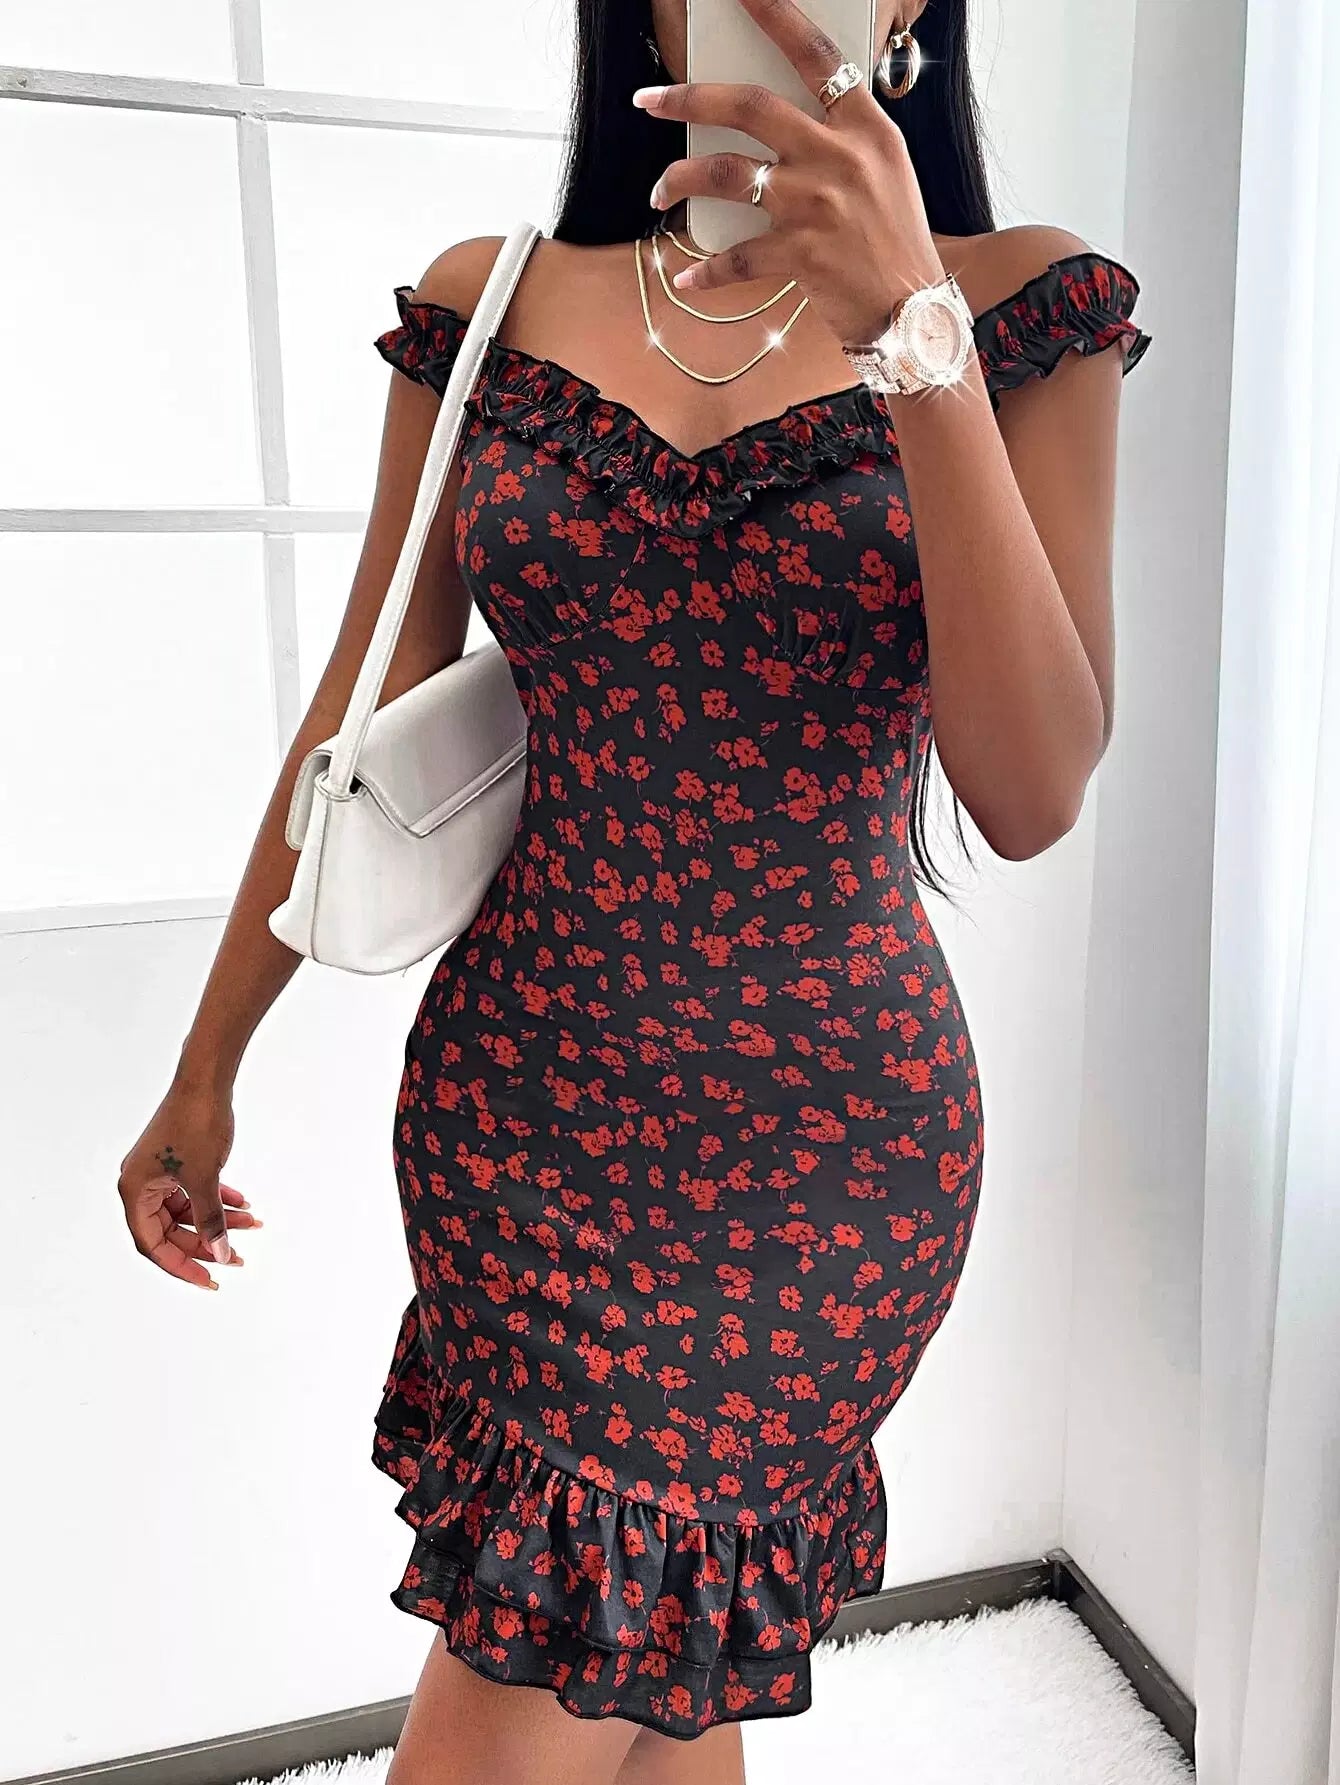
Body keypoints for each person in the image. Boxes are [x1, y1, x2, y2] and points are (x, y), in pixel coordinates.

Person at [116, 1, 1149, 1780]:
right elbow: (351, 713)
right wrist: (207, 1062)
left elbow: (1033, 788)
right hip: (518, 1131)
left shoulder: (1021, 307)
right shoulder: (491, 306)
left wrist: (913, 325)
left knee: (568, 1665)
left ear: (913, 10)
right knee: (663, 1696)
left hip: (825, 1161)